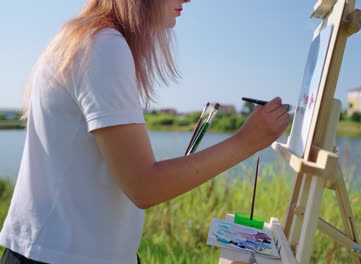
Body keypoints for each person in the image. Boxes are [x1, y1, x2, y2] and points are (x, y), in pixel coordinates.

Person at [0, 0, 290, 263]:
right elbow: (144, 187)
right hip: (59, 256)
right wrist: (246, 142)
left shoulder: (85, 38)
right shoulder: (102, 45)